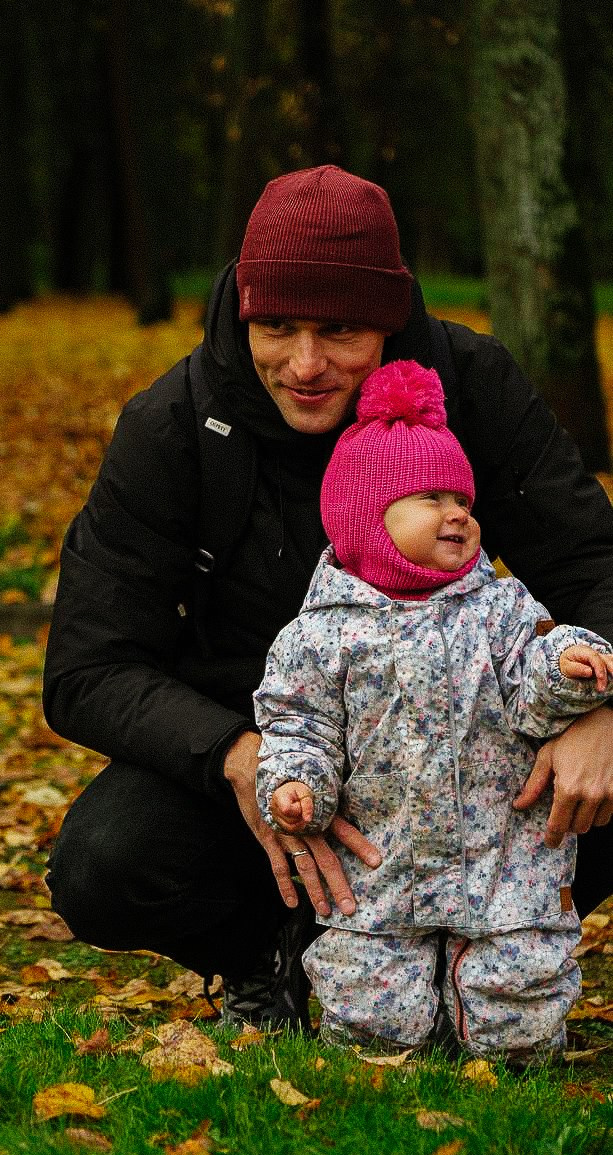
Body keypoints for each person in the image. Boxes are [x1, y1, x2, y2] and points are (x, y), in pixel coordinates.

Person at [42, 164, 613, 1031]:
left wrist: (600, 712)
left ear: (387, 319)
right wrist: (237, 756)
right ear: (243, 310)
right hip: (274, 750)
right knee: (104, 863)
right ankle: (266, 958)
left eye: (340, 330)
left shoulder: (471, 386)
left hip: (470, 752)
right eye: (276, 326)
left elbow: (591, 564)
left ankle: (490, 961)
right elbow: (87, 667)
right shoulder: (174, 425)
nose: (304, 366)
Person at [255, 359, 613, 1058]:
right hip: (381, 869)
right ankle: (385, 1048)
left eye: (463, 499)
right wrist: (296, 784)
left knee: (520, 1000)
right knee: (371, 1003)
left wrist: (564, 668)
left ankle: (507, 1051)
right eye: (430, 498)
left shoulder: (502, 608)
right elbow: (299, 725)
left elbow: (528, 689)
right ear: (365, 517)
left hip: (502, 860)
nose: (457, 513)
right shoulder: (318, 634)